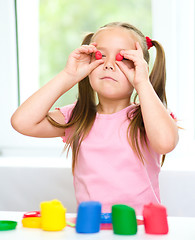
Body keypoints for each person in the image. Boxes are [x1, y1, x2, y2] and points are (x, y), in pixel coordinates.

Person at [11, 22, 179, 215]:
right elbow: (21, 122)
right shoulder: (78, 117)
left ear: (140, 67)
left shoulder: (148, 117)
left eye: (122, 57)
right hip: (91, 227)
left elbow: (166, 142)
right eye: (100, 55)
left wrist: (142, 82)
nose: (109, 64)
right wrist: (68, 75)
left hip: (140, 228)